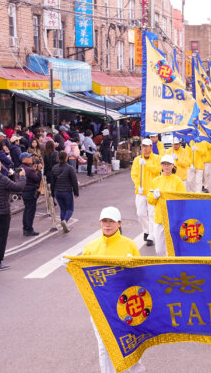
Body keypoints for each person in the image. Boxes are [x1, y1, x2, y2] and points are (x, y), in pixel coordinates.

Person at [80, 206, 145, 373]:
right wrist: (69, 265)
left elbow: (140, 277)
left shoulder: (129, 245)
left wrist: (133, 265)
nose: (107, 225)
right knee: (104, 345)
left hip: (125, 304)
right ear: (100, 223)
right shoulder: (90, 248)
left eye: (111, 221)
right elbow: (81, 274)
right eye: (104, 221)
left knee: (129, 342)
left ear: (119, 223)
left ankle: (136, 370)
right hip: (99, 305)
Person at [147, 155, 187, 256]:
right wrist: (154, 196)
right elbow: (150, 200)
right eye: (164, 164)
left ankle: (171, 269)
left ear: (173, 165)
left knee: (172, 249)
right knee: (159, 250)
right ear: (161, 165)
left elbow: (183, 200)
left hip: (173, 219)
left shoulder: (178, 181)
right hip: (159, 219)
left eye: (168, 164)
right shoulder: (155, 181)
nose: (166, 166)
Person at [131, 138, 161, 246]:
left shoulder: (157, 158)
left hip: (152, 191)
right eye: (143, 146)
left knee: (152, 214)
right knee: (140, 213)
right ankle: (146, 230)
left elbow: (157, 170)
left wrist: (146, 164)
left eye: (147, 146)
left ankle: (151, 236)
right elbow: (134, 174)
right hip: (140, 191)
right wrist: (137, 185)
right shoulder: (137, 160)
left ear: (151, 147)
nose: (145, 148)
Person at [51, 151, 79, 232]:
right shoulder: (70, 168)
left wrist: (53, 193)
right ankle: (65, 221)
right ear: (66, 158)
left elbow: (52, 181)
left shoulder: (54, 168)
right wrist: (76, 192)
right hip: (66, 191)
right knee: (70, 209)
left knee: (62, 209)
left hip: (57, 191)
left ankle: (63, 223)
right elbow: (74, 181)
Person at [20, 152, 42, 236]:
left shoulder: (22, 168)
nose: (31, 159)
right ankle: (28, 229)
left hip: (24, 191)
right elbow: (37, 179)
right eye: (29, 157)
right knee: (30, 211)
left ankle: (26, 228)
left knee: (27, 210)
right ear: (24, 159)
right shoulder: (28, 170)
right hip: (30, 191)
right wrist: (39, 171)